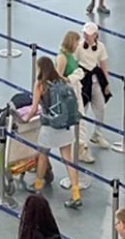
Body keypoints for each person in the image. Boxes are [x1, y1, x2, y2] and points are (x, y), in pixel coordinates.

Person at [26, 56, 83, 209]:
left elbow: (34, 108)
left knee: (43, 155)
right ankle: (76, 194)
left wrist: (26, 119)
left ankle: (38, 185)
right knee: (68, 160)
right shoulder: (62, 81)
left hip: (50, 126)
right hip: (66, 126)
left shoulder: (40, 84)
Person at [55, 30, 91, 164]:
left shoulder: (70, 55)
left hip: (76, 88)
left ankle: (81, 147)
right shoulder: (62, 57)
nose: (78, 45)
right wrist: (70, 79)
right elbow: (58, 76)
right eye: (76, 42)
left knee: (81, 120)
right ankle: (80, 149)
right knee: (78, 120)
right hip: (70, 91)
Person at [76, 22, 111, 150]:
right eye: (85, 33)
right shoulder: (79, 47)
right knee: (82, 109)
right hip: (83, 80)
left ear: (95, 35)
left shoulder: (101, 47)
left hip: (96, 80)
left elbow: (103, 65)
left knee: (100, 108)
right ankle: (80, 140)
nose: (86, 36)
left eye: (89, 34)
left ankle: (98, 133)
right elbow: (74, 63)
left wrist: (106, 83)